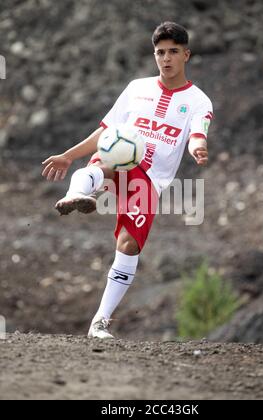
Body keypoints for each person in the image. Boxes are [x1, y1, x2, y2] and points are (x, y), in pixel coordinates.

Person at [42, 22, 213, 339]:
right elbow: (106, 131)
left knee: (129, 246)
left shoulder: (199, 101)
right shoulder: (137, 88)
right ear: (154, 55)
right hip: (119, 161)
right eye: (160, 52)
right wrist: (68, 155)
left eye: (173, 51)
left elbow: (197, 133)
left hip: (148, 181)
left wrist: (198, 147)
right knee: (109, 156)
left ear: (186, 54)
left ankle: (99, 323)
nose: (166, 58)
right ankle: (76, 195)